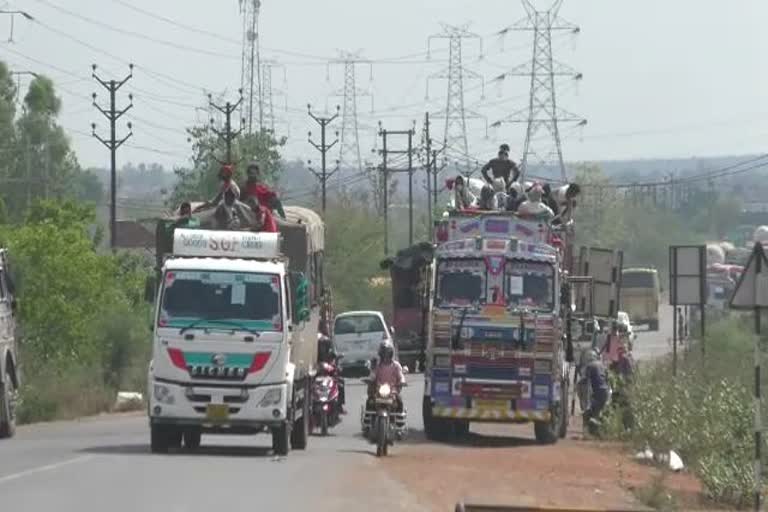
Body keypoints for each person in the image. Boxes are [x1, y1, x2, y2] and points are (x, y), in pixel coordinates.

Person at [366, 340, 405, 413]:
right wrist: (369, 380)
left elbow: (400, 375)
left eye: (387, 353)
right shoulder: (377, 365)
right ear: (381, 354)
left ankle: (399, 420)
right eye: (384, 353)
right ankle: (368, 419)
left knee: (399, 401)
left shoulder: (396, 365)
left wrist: (402, 381)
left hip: (392, 391)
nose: (386, 355)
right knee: (370, 401)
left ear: (391, 353)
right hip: (378, 390)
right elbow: (373, 375)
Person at [583, 348, 611, 431]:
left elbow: (586, 381)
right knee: (599, 413)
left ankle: (592, 431)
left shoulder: (589, 366)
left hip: (597, 393)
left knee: (590, 413)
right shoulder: (602, 365)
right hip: (606, 391)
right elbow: (607, 378)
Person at [317, 334, 346, 412]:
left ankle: (339, 406)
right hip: (320, 380)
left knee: (340, 383)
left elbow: (336, 365)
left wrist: (336, 369)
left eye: (325, 345)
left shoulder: (331, 355)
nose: (323, 348)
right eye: (321, 345)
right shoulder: (316, 358)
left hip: (330, 378)